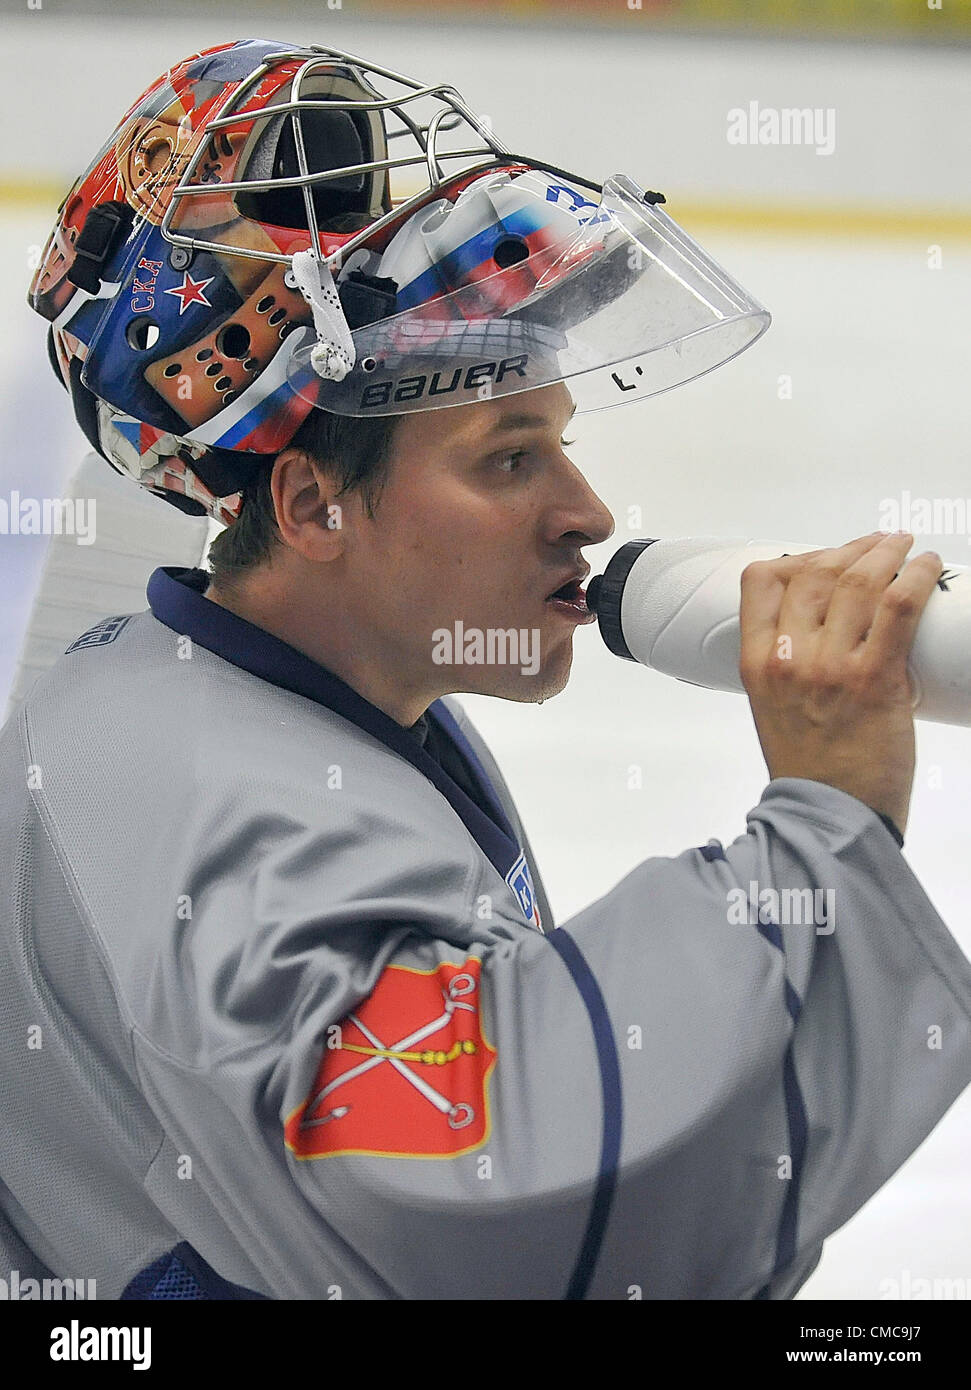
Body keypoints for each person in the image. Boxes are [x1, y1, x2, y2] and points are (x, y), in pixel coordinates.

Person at [2, 37, 969, 1301]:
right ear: (308, 506)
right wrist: (823, 823)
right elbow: (511, 1212)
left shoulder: (224, 679)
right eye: (510, 458)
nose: (586, 510)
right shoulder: (245, 839)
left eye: (557, 444)